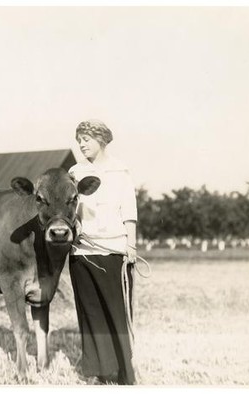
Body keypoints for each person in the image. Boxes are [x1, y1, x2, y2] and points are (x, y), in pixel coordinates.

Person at [68, 119, 138, 385]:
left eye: (86, 138)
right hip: (80, 254)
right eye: (79, 140)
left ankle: (124, 375)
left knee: (116, 314)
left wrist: (131, 245)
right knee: (91, 314)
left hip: (113, 252)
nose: (82, 144)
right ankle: (101, 373)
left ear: (101, 139)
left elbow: (129, 212)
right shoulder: (74, 172)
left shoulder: (121, 172)